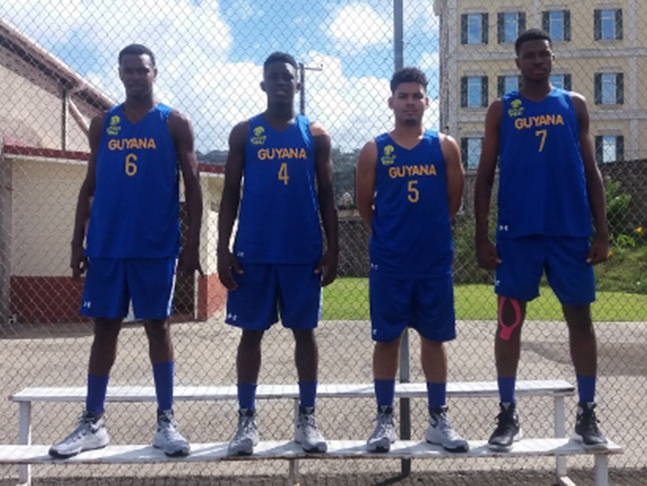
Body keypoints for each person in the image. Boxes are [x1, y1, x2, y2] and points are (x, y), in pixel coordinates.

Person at [49, 44, 203, 458]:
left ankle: (166, 421)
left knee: (158, 327)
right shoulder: (104, 124)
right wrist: (76, 242)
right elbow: (89, 186)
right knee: (104, 330)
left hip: (155, 247)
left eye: (142, 70)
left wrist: (192, 246)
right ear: (119, 74)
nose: (135, 76)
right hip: (106, 246)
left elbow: (193, 185)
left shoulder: (174, 123)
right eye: (128, 71)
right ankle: (93, 422)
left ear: (155, 73)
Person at [474, 29, 610, 452]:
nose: (537, 60)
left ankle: (587, 411)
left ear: (553, 59)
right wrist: (482, 234)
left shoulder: (573, 104)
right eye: (529, 55)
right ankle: (507, 412)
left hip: (570, 232)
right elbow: (483, 177)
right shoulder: (503, 109)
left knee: (580, 321)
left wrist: (602, 231)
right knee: (510, 323)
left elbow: (592, 171)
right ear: (517, 63)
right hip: (518, 235)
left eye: (544, 54)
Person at [217, 51, 338, 456]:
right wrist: (223, 247)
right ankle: (246, 421)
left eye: (288, 77)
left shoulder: (314, 133)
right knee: (251, 334)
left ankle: (306, 418)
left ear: (298, 84)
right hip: (254, 250)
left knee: (305, 333)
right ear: (263, 84)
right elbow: (231, 192)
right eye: (274, 77)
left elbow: (327, 195)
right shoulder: (244, 133)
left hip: (302, 251)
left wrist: (333, 247)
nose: (282, 82)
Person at [356, 67, 468, 453]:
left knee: (434, 340)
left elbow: (453, 202)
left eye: (416, 95)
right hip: (390, 263)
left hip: (433, 262)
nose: (409, 102)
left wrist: (430, 231)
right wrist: (391, 235)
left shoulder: (444, 146)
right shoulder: (375, 149)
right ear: (391, 101)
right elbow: (363, 204)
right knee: (387, 340)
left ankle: (438, 419)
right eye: (402, 96)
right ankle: (384, 419)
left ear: (426, 101)